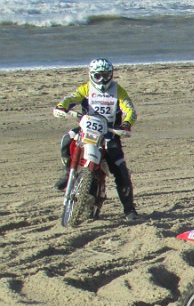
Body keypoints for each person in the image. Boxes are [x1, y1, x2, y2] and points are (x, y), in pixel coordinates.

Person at [53, 58, 139, 220]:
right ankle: (67, 173)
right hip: (87, 129)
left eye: (106, 75)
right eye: (98, 76)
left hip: (109, 134)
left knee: (120, 170)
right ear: (91, 75)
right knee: (66, 140)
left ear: (111, 75)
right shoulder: (86, 89)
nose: (102, 80)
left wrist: (127, 124)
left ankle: (129, 209)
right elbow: (71, 98)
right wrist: (61, 106)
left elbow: (130, 110)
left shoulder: (118, 91)